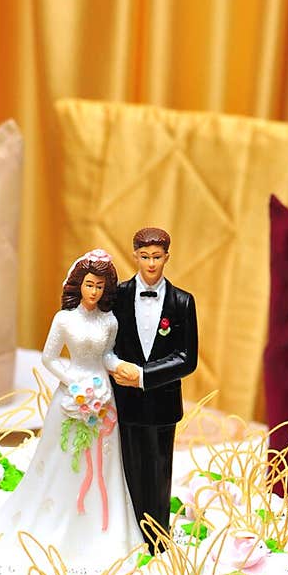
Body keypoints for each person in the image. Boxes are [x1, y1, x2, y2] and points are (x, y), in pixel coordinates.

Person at [0, 250, 144, 574]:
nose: (94, 292)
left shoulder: (110, 321)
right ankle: (56, 518)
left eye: (100, 287)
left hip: (103, 396)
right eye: (89, 285)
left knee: (102, 462)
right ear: (79, 285)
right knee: (62, 458)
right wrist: (74, 382)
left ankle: (99, 527)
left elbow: (106, 356)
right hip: (71, 397)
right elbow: (49, 358)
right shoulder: (64, 319)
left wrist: (121, 368)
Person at [110, 227, 198, 544]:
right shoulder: (117, 297)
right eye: (145, 257)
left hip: (162, 405)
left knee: (160, 474)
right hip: (126, 402)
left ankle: (159, 540)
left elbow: (187, 359)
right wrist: (117, 368)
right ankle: (130, 538)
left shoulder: (182, 302)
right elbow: (107, 342)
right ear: (135, 256)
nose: (150, 264)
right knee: (130, 470)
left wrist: (144, 375)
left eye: (157, 257)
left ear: (167, 258)